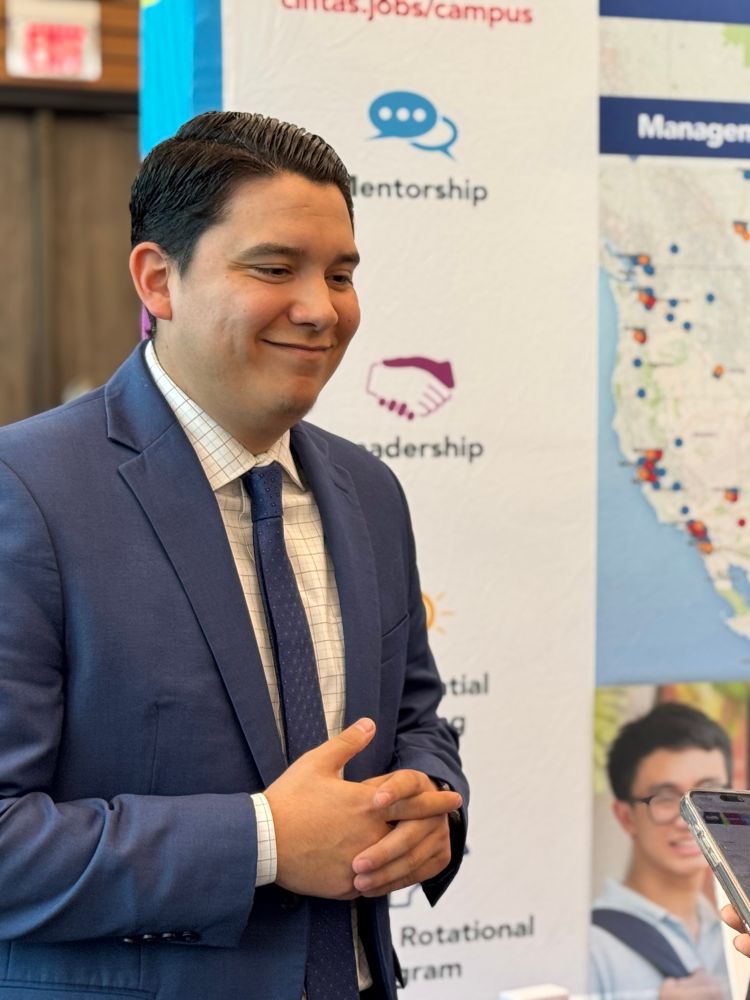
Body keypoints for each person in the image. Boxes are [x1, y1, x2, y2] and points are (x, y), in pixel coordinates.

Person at [0, 111, 468, 1000]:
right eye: (274, 268)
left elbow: (415, 716)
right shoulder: (25, 490)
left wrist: (429, 805)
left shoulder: (371, 491)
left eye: (340, 274)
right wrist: (264, 841)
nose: (320, 308)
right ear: (159, 279)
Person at [590, 702, 731, 1000]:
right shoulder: (588, 946)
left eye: (706, 795)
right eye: (666, 798)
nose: (689, 821)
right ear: (626, 817)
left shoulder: (734, 934)